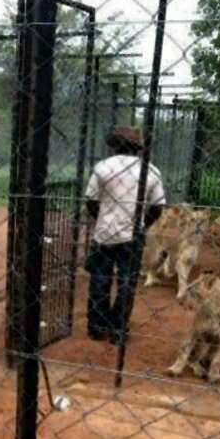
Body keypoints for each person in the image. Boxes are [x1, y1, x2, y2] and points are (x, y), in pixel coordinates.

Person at [84, 126, 166, 345]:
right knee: (126, 283)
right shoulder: (151, 171)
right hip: (133, 235)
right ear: (137, 148)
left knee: (100, 279)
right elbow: (158, 207)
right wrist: (141, 224)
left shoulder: (103, 167)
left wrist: (102, 218)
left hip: (104, 233)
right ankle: (118, 329)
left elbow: (90, 200)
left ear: (115, 146)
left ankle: (97, 327)